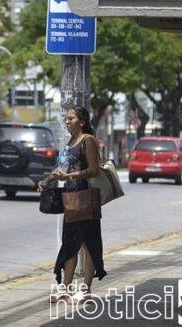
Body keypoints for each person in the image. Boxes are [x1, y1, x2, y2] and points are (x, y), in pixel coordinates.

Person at [37, 105, 106, 303]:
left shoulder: (88, 140)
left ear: (82, 121)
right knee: (70, 243)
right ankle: (64, 288)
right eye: (66, 118)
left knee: (88, 243)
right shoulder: (70, 142)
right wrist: (46, 181)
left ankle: (85, 289)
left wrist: (69, 176)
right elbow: (61, 167)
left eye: (71, 118)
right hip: (71, 198)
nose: (67, 121)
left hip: (85, 197)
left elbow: (93, 170)